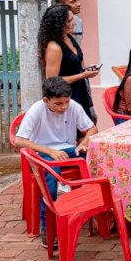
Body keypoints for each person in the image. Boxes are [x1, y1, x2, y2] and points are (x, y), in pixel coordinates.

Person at [14, 77, 97, 247]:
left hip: (67, 150)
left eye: (66, 101)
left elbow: (92, 129)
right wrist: (50, 151)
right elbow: (19, 141)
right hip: (42, 151)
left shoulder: (73, 106)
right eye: (59, 104)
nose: (64, 107)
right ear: (46, 100)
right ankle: (48, 226)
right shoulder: (37, 110)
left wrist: (83, 144)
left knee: (96, 161)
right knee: (50, 176)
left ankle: (93, 213)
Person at [38, 4, 99, 120]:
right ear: (59, 24)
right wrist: (83, 75)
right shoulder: (54, 47)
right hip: (65, 96)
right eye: (70, 21)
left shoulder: (70, 37)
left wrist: (86, 70)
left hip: (80, 90)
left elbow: (74, 65)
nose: (74, 23)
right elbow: (52, 81)